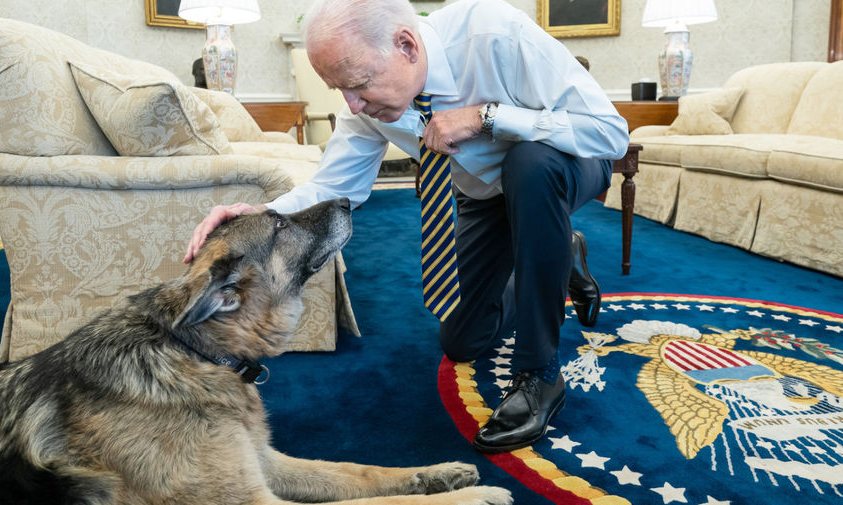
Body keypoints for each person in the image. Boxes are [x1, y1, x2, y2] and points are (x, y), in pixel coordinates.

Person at [183, 0, 629, 453]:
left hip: (565, 166)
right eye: (339, 89)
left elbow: (610, 134)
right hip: (482, 195)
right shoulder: (365, 109)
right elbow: (336, 188)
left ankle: (540, 375)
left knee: (529, 164)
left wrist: (487, 116)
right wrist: (260, 214)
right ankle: (560, 252)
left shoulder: (495, 35)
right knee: (462, 341)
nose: (352, 104)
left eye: (358, 85)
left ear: (406, 46)